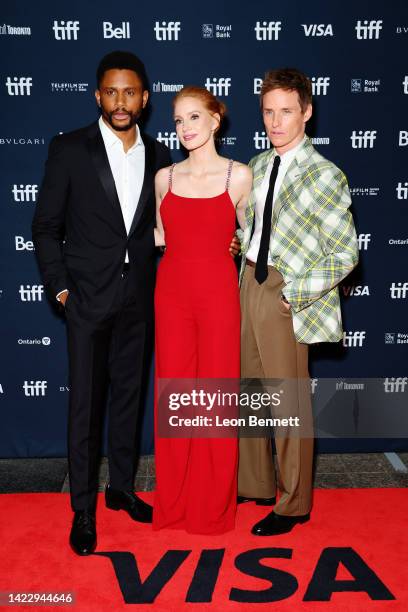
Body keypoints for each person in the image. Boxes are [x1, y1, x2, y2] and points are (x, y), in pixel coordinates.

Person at [32, 51, 172, 555]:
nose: (120, 101)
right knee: (85, 408)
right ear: (98, 96)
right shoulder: (70, 149)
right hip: (86, 302)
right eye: (111, 92)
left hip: (138, 302)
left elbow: (163, 229)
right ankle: (83, 510)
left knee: (129, 402)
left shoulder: (159, 157)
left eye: (129, 92)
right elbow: (45, 227)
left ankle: (121, 489)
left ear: (145, 98)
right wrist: (61, 288)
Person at [238, 68, 359, 536]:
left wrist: (298, 292)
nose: (276, 121)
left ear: (306, 112)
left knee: (287, 399)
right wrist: (239, 245)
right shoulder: (258, 164)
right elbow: (259, 228)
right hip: (248, 281)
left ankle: (293, 503)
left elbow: (346, 251)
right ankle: (256, 484)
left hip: (286, 291)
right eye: (269, 111)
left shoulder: (324, 173)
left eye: (286, 111)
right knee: (248, 387)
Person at [153, 86, 252, 534]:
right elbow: (159, 237)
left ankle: (212, 510)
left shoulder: (240, 176)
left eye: (195, 117)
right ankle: (172, 507)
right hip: (171, 296)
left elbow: (252, 240)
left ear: (216, 119)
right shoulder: (165, 178)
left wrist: (238, 242)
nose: (186, 128)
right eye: (178, 120)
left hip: (217, 298)